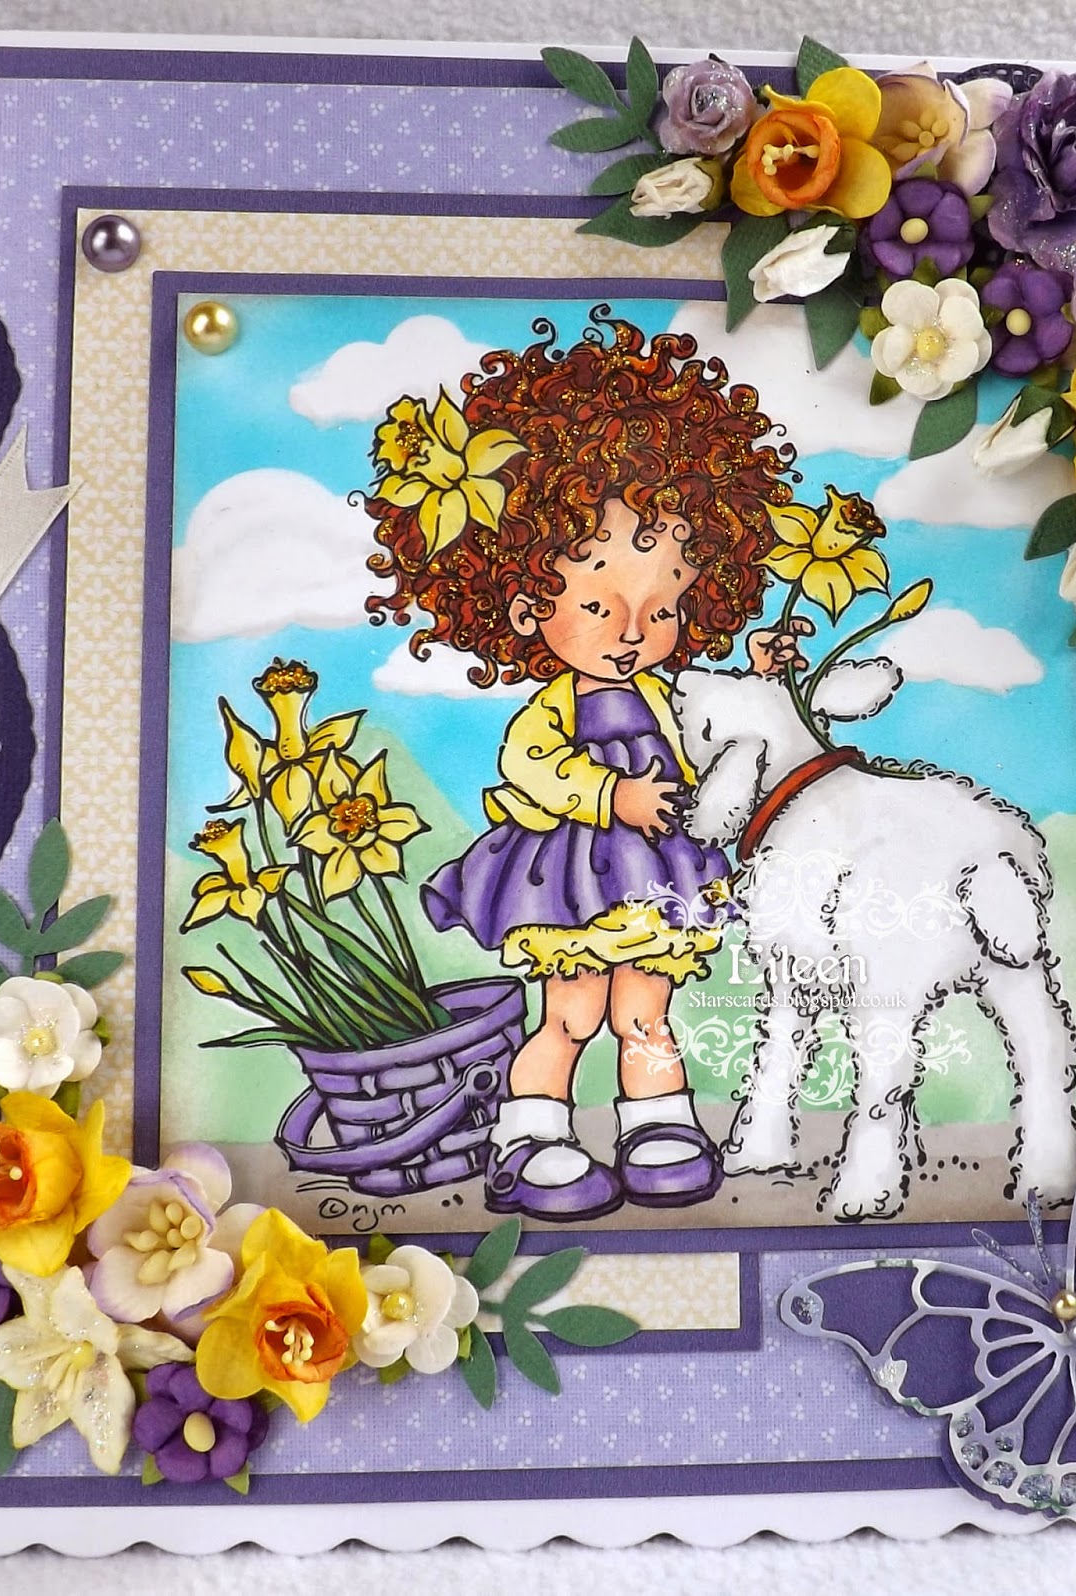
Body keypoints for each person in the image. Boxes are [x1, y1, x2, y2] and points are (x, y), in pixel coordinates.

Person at [364, 312, 803, 1220]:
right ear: (526, 607)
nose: (636, 632)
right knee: (570, 1013)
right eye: (601, 607)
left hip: (658, 873)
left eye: (663, 609)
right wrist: (611, 793)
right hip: (570, 874)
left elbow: (708, 729)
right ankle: (533, 1137)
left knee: (645, 1012)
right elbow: (532, 763)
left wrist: (762, 676)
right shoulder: (555, 704)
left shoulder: (665, 693)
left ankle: (660, 1125)